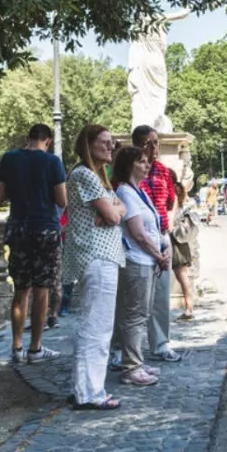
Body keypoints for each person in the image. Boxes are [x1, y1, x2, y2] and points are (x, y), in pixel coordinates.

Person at [62, 124, 126, 410]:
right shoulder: (85, 174)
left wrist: (114, 209)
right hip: (97, 257)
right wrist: (113, 210)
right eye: (105, 142)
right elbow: (113, 215)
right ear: (88, 144)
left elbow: (116, 209)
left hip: (100, 256)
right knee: (97, 326)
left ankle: (84, 387)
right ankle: (90, 392)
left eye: (112, 142)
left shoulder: (96, 177)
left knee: (95, 324)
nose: (111, 146)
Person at [0, 123, 66, 365]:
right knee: (42, 290)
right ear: (48, 141)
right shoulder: (52, 162)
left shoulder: (9, 158)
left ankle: (16, 347)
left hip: (19, 228)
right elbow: (62, 199)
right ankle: (35, 349)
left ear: (29, 138)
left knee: (21, 290)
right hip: (45, 228)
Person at [109, 146, 169, 386]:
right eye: (141, 162)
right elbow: (138, 234)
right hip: (138, 260)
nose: (147, 165)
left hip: (148, 260)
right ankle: (131, 366)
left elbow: (152, 228)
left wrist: (161, 252)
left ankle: (135, 360)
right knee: (134, 315)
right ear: (129, 165)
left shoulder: (138, 191)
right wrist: (159, 255)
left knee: (140, 313)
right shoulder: (125, 192)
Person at [131, 125, 182, 363]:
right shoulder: (129, 172)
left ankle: (160, 345)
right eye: (147, 143)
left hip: (160, 237)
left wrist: (167, 230)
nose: (154, 148)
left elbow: (172, 203)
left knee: (161, 296)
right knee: (131, 299)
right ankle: (122, 351)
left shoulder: (163, 171)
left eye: (156, 142)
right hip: (135, 238)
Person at [169, 171, 196, 321]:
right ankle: (188, 308)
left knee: (182, 276)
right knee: (183, 276)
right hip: (180, 241)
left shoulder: (171, 194)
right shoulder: (179, 192)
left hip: (175, 240)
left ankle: (189, 309)